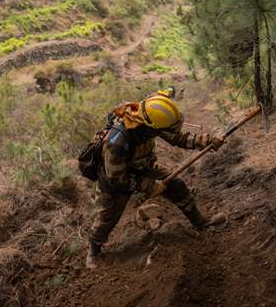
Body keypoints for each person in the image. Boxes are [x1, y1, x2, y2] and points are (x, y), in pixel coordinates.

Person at [86, 89, 227, 269]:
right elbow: (117, 179)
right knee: (107, 218)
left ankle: (200, 223)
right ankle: (93, 251)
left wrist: (206, 141)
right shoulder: (117, 143)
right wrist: (150, 186)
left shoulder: (149, 121)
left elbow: (178, 138)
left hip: (143, 166)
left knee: (176, 186)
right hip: (115, 180)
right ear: (151, 128)